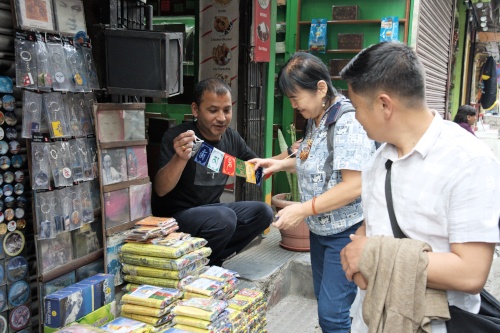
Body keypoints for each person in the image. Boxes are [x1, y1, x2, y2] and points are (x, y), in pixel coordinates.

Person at [339, 42, 500, 332]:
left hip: (434, 323)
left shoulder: (469, 161)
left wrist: (373, 257)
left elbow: (471, 273)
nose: (357, 118)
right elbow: (373, 227)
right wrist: (358, 260)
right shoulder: (379, 159)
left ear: (385, 105)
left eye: (358, 108)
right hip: (372, 319)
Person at [249, 52, 376, 333]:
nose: (294, 105)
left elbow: (355, 185)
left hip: (346, 232)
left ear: (321, 88)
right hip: (321, 231)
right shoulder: (317, 118)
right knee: (327, 305)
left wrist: (302, 210)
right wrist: (279, 163)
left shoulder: (347, 121)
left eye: (296, 98)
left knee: (333, 314)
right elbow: (312, 159)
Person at [152, 78, 273, 266]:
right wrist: (181, 158)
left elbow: (256, 171)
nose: (222, 118)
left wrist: (289, 155)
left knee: (263, 212)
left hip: (212, 212)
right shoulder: (180, 137)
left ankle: (212, 258)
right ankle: (201, 262)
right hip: (177, 217)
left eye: (226, 110)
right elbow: (160, 189)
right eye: (213, 110)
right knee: (224, 218)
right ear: (195, 110)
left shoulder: (231, 138)